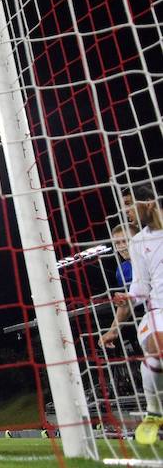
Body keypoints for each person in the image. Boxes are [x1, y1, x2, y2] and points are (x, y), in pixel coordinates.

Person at [101, 184, 163, 444]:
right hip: (158, 308)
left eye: (129, 205)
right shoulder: (139, 242)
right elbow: (140, 286)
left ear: (148, 202)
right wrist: (126, 303)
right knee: (156, 346)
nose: (126, 211)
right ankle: (155, 412)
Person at [113, 223, 139, 288]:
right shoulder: (121, 271)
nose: (121, 246)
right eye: (117, 243)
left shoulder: (153, 259)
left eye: (125, 241)